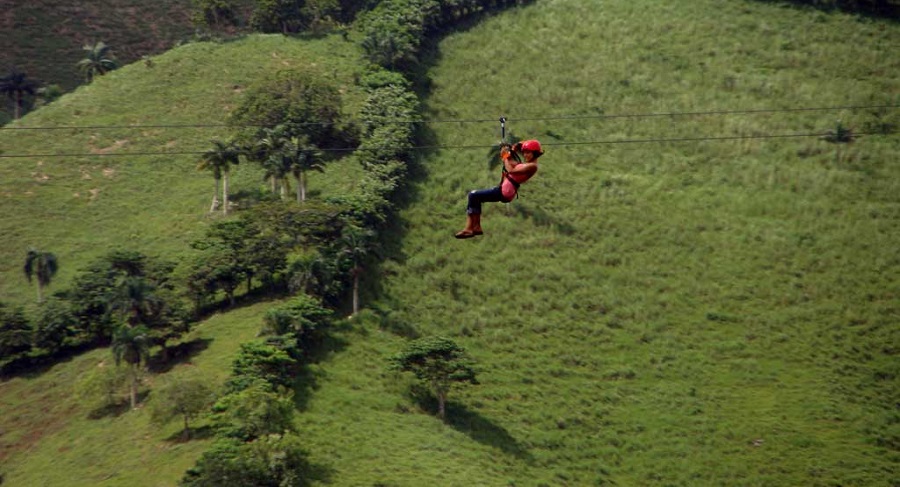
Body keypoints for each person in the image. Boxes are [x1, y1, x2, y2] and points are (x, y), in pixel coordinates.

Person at [455, 139, 544, 239]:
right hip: (505, 190)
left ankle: (470, 228)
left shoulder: (532, 166)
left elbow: (511, 169)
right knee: (476, 197)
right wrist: (511, 150)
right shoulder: (526, 165)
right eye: (524, 152)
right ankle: (476, 227)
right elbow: (513, 163)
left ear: (535, 153)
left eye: (528, 152)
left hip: (506, 191)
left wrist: (505, 156)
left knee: (473, 195)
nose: (525, 155)